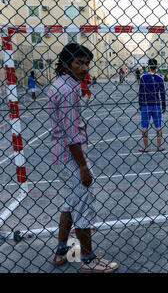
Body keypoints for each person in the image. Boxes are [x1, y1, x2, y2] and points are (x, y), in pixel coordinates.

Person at [48, 43, 118, 273]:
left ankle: (62, 251)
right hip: (72, 158)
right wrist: (83, 167)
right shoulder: (68, 90)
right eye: (79, 62)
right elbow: (72, 135)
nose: (85, 67)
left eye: (87, 63)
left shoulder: (61, 85)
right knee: (83, 208)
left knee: (70, 203)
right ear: (67, 63)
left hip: (62, 155)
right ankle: (88, 260)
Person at [138, 58, 166, 152]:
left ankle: (146, 147)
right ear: (156, 67)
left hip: (146, 104)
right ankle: (159, 146)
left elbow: (140, 92)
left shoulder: (143, 78)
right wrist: (164, 106)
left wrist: (140, 105)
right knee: (158, 126)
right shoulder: (160, 79)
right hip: (156, 105)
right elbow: (162, 94)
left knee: (145, 126)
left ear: (148, 67)